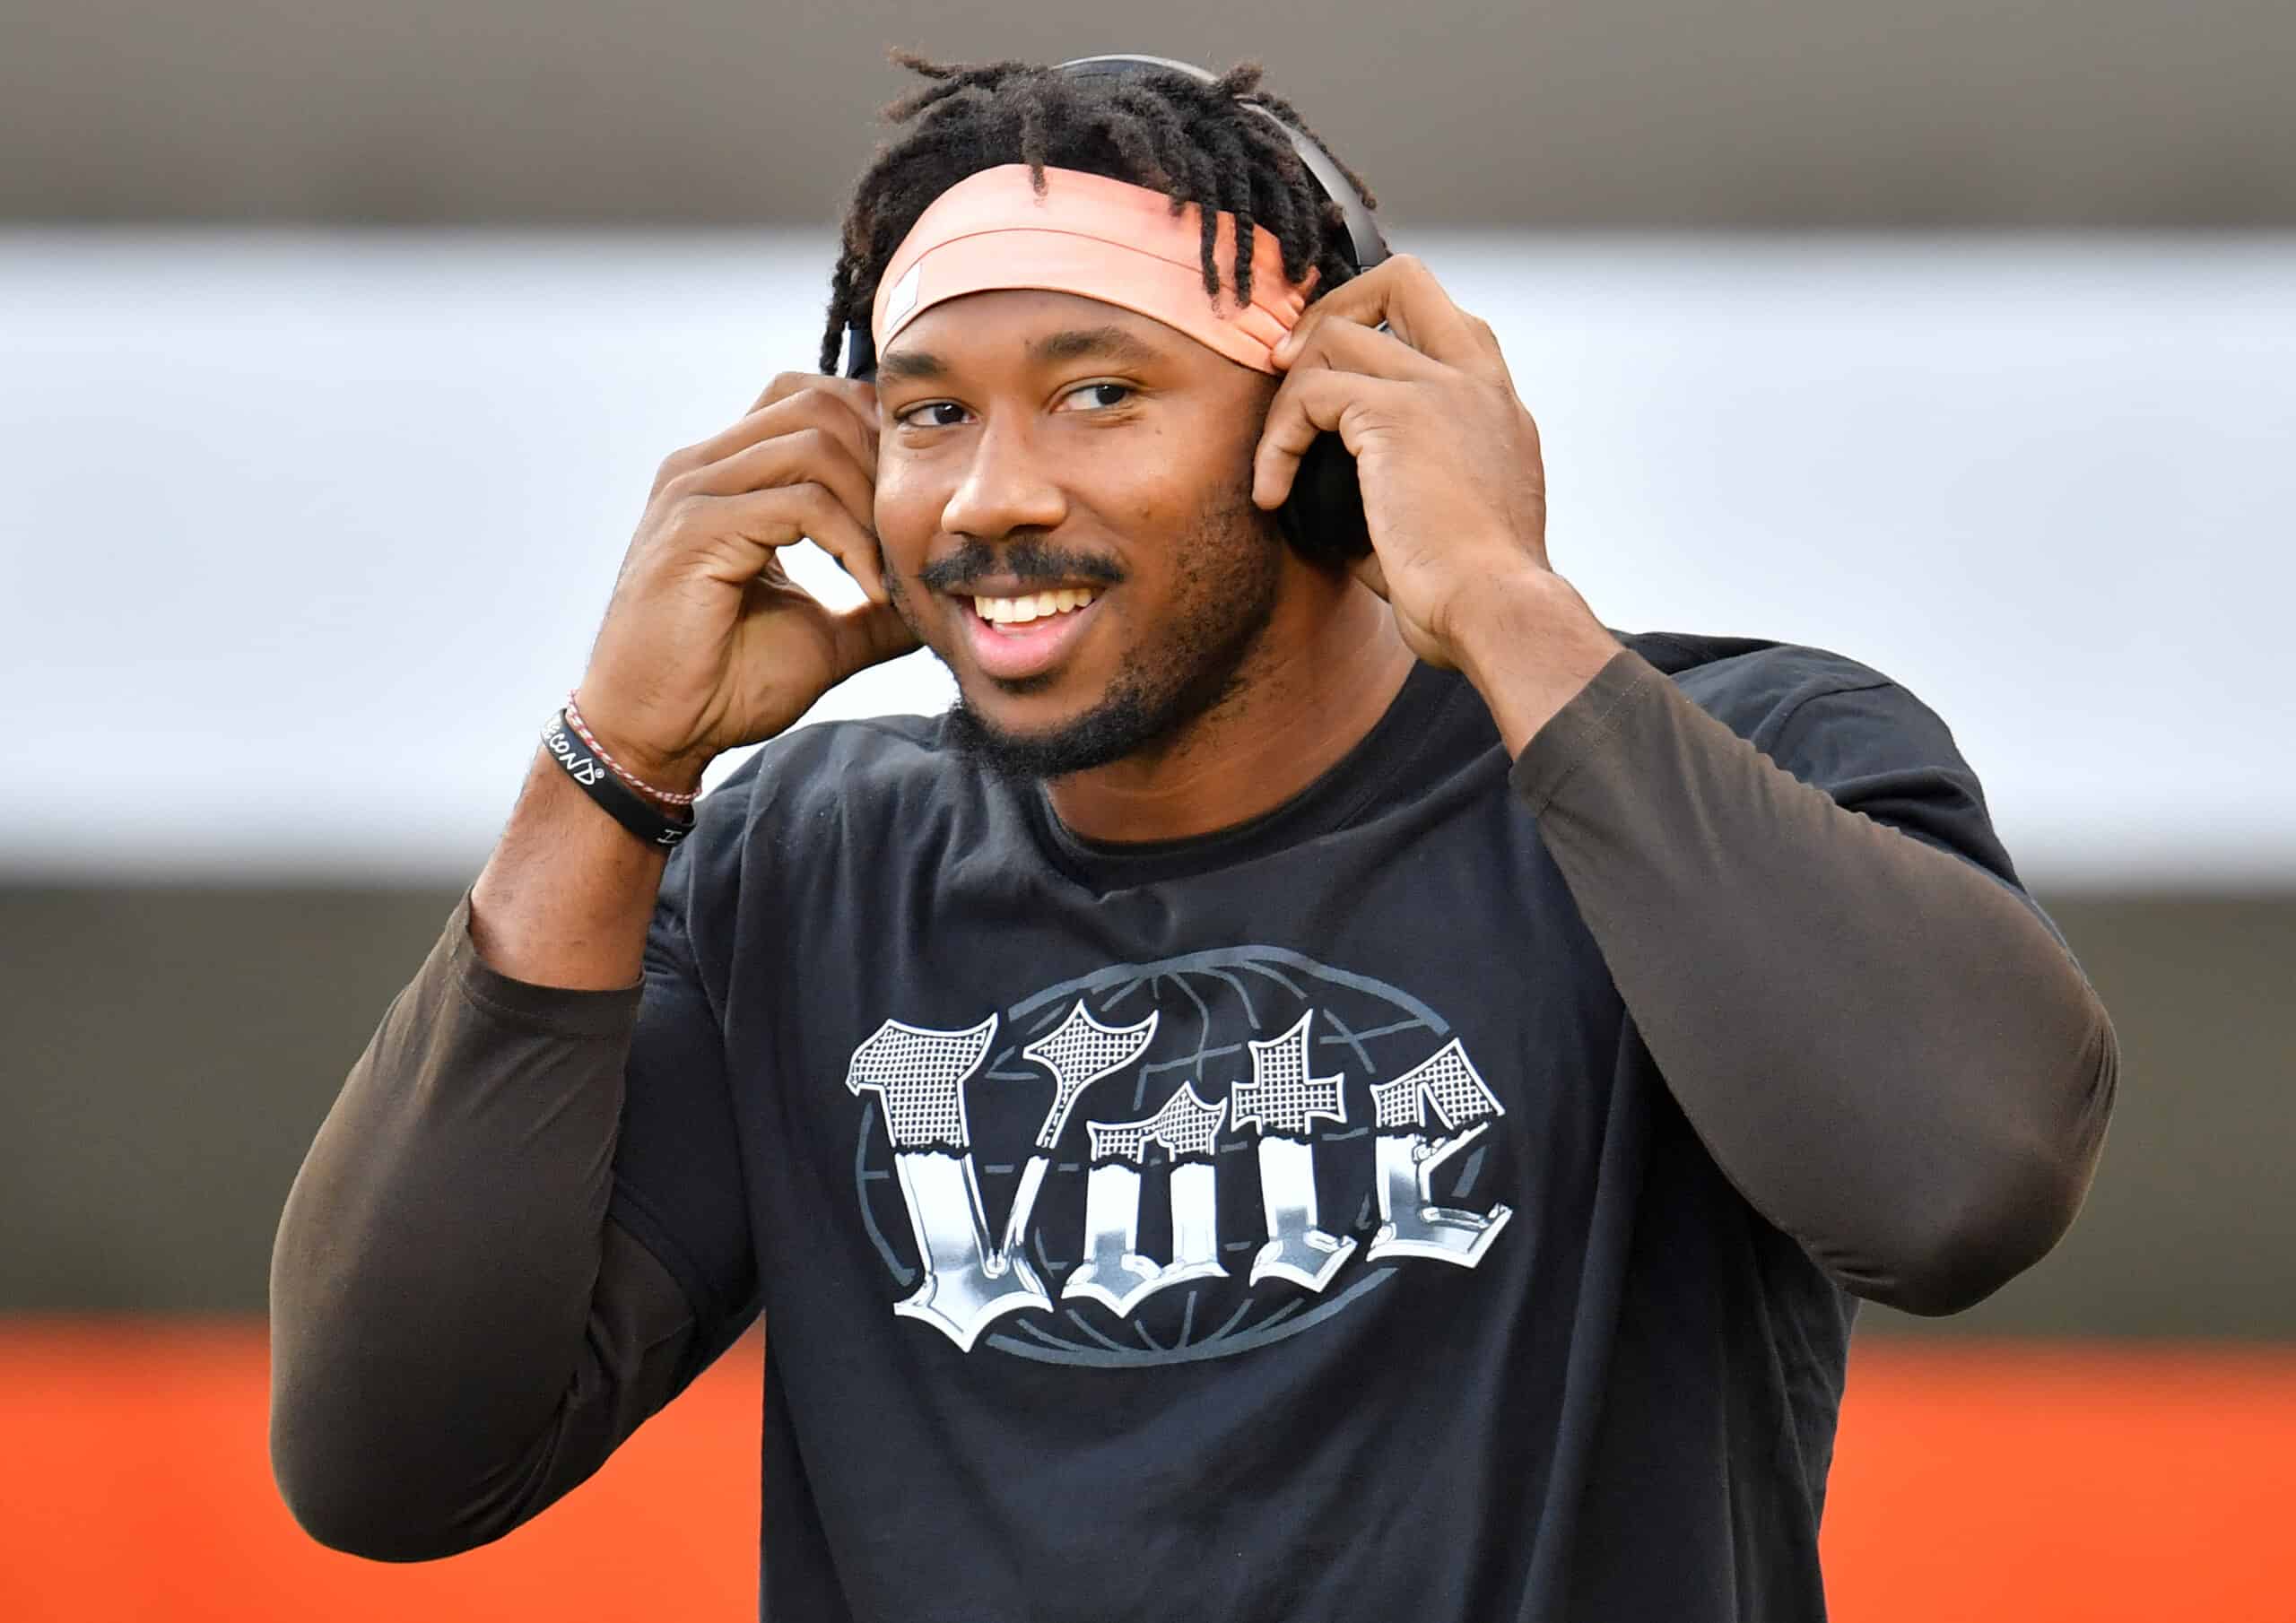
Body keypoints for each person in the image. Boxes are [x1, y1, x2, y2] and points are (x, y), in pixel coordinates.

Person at [269, 52, 2118, 1622]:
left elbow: (1953, 1186)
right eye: (930, 413)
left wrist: (1493, 591)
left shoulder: (1721, 760)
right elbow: (391, 1455)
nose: (995, 494)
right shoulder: (794, 870)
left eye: (1098, 391)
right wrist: (614, 765)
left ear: (1315, 427)